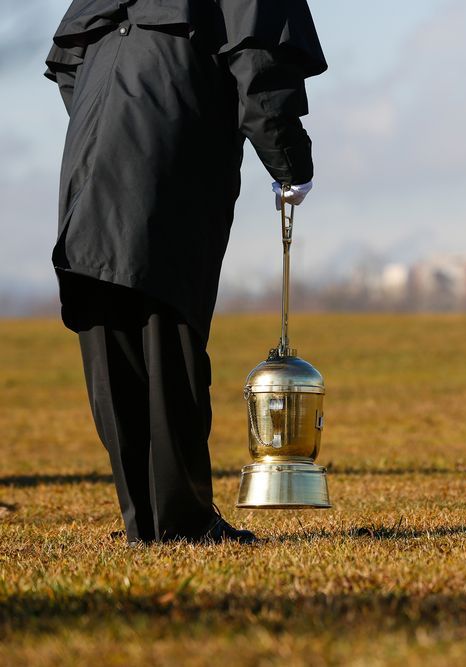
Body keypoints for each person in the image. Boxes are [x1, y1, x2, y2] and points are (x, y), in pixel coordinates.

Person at [44, 0, 326, 544]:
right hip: (169, 142)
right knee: (167, 334)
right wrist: (290, 163)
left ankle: (144, 521)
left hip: (91, 152)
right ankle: (183, 521)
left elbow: (69, 66)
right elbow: (259, 67)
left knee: (112, 333)